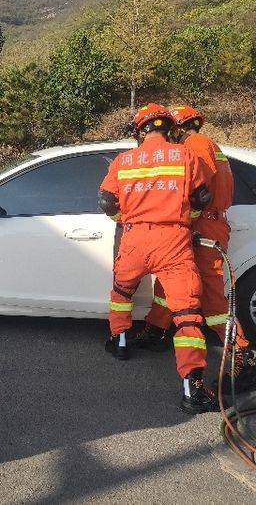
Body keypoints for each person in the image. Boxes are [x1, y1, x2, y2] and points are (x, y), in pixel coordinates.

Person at [99, 103, 217, 414]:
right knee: (188, 314)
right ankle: (193, 388)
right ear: (169, 128)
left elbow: (106, 201)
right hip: (174, 241)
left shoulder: (125, 161)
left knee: (122, 292)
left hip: (136, 238)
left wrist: (127, 220)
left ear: (140, 130)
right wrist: (187, 219)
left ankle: (120, 341)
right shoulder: (186, 155)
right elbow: (201, 197)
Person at [135, 106, 256, 393]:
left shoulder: (196, 145)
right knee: (170, 284)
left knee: (211, 298)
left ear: (179, 127)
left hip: (203, 228)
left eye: (169, 129)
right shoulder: (204, 144)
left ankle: (241, 357)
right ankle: (157, 330)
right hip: (202, 226)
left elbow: (196, 192)